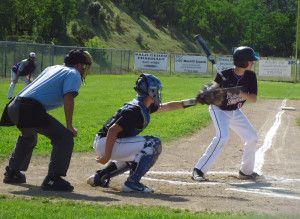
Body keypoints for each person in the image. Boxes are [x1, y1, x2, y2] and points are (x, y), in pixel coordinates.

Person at [0, 49, 92, 192]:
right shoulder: (73, 73)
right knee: (64, 137)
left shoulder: (53, 68)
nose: (85, 69)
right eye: (84, 66)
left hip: (13, 105)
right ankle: (53, 179)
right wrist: (70, 126)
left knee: (29, 136)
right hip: (28, 109)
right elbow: (68, 98)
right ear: (79, 65)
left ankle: (12, 172)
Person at [87, 73, 196, 193]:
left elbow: (169, 106)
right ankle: (132, 183)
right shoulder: (136, 110)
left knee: (139, 155)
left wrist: (194, 101)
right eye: (156, 90)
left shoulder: (143, 105)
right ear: (151, 91)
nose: (158, 93)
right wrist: (106, 156)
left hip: (107, 141)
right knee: (153, 143)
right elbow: (113, 130)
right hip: (108, 142)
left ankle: (101, 176)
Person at [192, 46, 260, 181]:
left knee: (252, 137)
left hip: (235, 111)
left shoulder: (251, 76)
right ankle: (199, 170)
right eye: (250, 61)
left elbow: (253, 98)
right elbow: (211, 92)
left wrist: (237, 91)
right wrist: (222, 88)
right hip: (219, 110)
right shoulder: (225, 74)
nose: (253, 63)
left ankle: (246, 172)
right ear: (242, 62)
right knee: (223, 137)